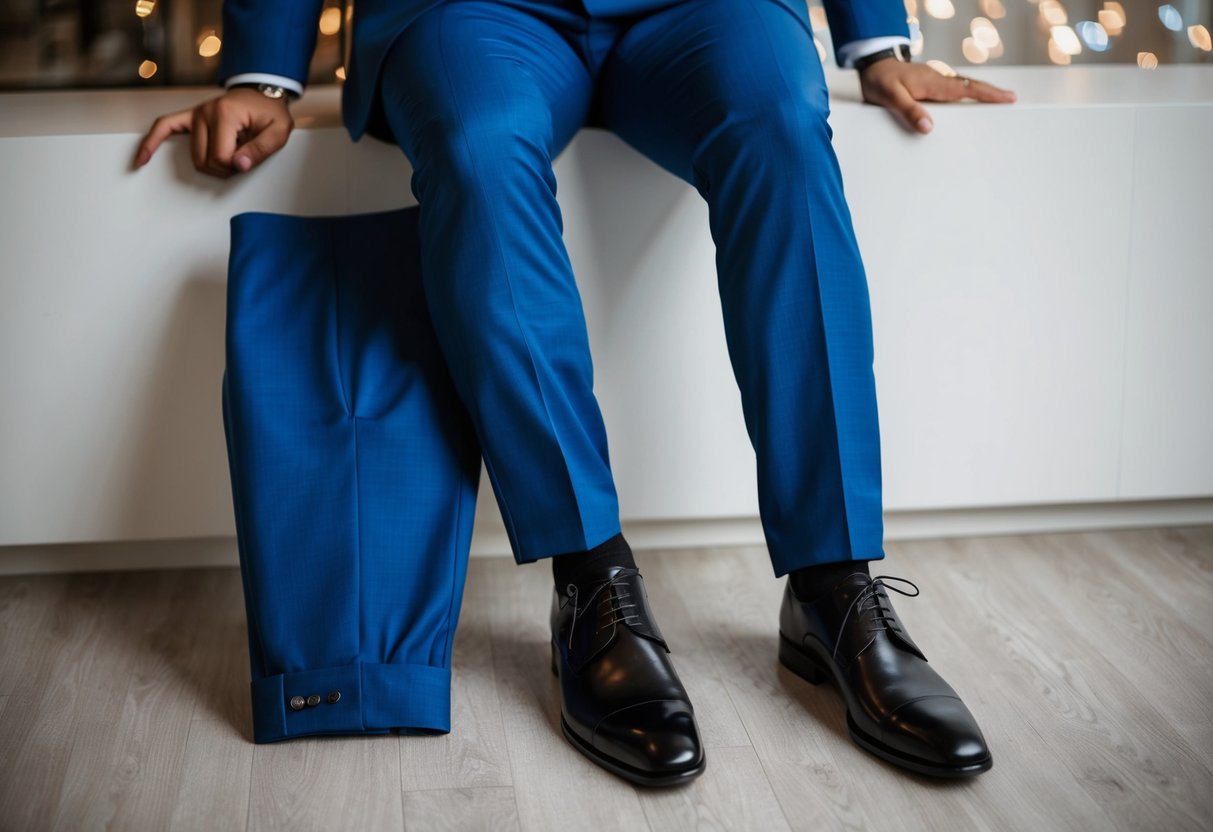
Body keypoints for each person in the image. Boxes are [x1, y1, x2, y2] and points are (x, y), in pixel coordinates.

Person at [135, 0, 1016, 785]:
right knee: (479, 144)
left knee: (783, 123)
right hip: (470, 11)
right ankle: (591, 581)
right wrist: (265, 71)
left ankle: (834, 582)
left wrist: (875, 42)